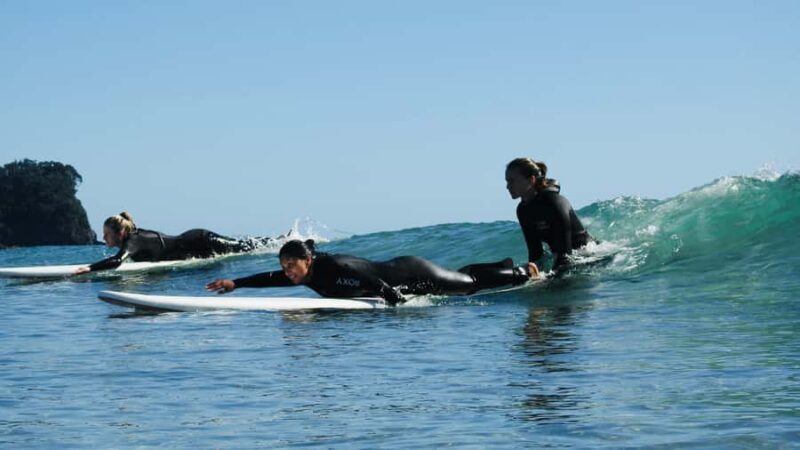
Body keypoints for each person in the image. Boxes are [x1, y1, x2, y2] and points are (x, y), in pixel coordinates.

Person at [206, 239, 534, 305]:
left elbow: (365, 278)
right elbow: (271, 278)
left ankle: (523, 273)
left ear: (307, 261)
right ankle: (502, 265)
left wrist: (388, 294)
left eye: (291, 266)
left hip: (410, 271)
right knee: (460, 275)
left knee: (469, 286)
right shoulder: (306, 274)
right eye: (284, 267)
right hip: (403, 274)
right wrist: (235, 283)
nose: (286, 273)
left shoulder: (331, 267)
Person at [74, 212, 279, 274]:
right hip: (195, 241)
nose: (104, 239)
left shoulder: (133, 240)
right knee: (243, 246)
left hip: (200, 242)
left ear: (120, 233)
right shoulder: (133, 237)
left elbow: (118, 261)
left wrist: (89, 268)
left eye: (106, 234)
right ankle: (280, 241)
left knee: (245, 247)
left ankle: (281, 242)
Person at [505, 158, 595, 276]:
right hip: (567, 257)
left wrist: (550, 280)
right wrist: (532, 274)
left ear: (531, 180)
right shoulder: (522, 210)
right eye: (507, 181)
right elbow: (535, 253)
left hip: (589, 256)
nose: (507, 187)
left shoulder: (555, 203)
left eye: (512, 181)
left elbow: (565, 256)